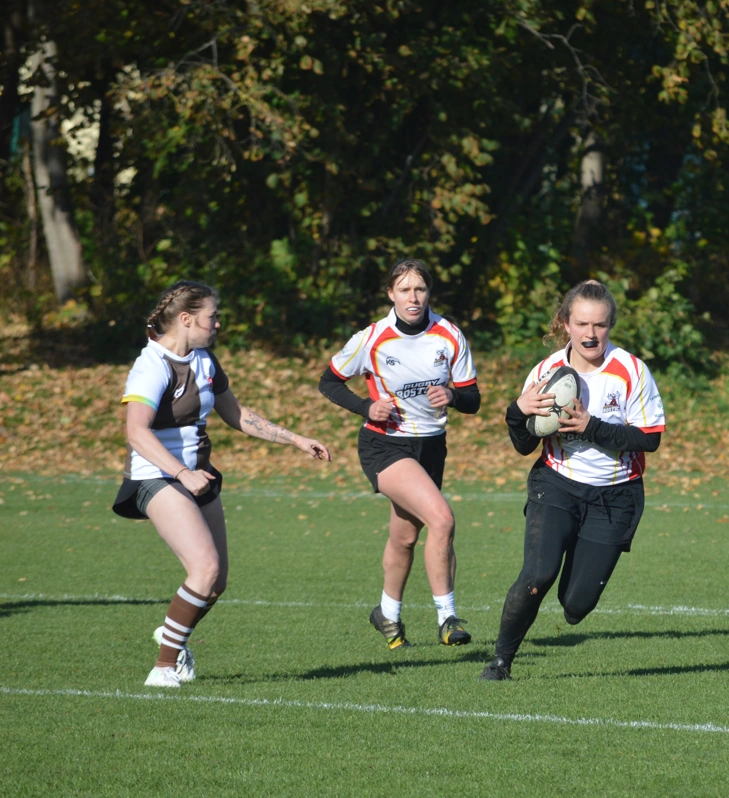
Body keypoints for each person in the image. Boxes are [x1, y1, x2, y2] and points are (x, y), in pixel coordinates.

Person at [113, 280, 331, 688]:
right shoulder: (152, 365)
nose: (218, 324)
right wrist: (181, 473)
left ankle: (173, 633)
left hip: (199, 476)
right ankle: (162, 668)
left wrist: (296, 440)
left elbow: (238, 414)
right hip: (156, 477)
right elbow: (137, 432)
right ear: (186, 319)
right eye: (212, 317)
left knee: (217, 582)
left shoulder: (204, 360)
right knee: (204, 567)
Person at [480, 280, 666, 681]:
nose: (591, 334)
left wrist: (590, 426)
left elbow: (650, 438)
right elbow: (523, 444)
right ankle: (499, 662)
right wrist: (517, 412)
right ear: (566, 324)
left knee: (575, 606)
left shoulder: (631, 371)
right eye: (582, 323)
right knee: (537, 574)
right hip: (557, 483)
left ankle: (576, 593)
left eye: (599, 325)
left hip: (616, 497)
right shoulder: (547, 372)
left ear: (610, 325)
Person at [319, 259, 480, 649]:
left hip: (431, 446)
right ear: (390, 294)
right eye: (404, 289)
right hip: (385, 445)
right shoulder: (372, 337)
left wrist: (453, 396)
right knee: (441, 520)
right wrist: (365, 407)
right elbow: (329, 381)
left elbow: (473, 399)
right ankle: (448, 619)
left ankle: (386, 615)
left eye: (420, 289)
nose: (413, 297)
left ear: (429, 293)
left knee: (406, 536)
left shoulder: (449, 335)